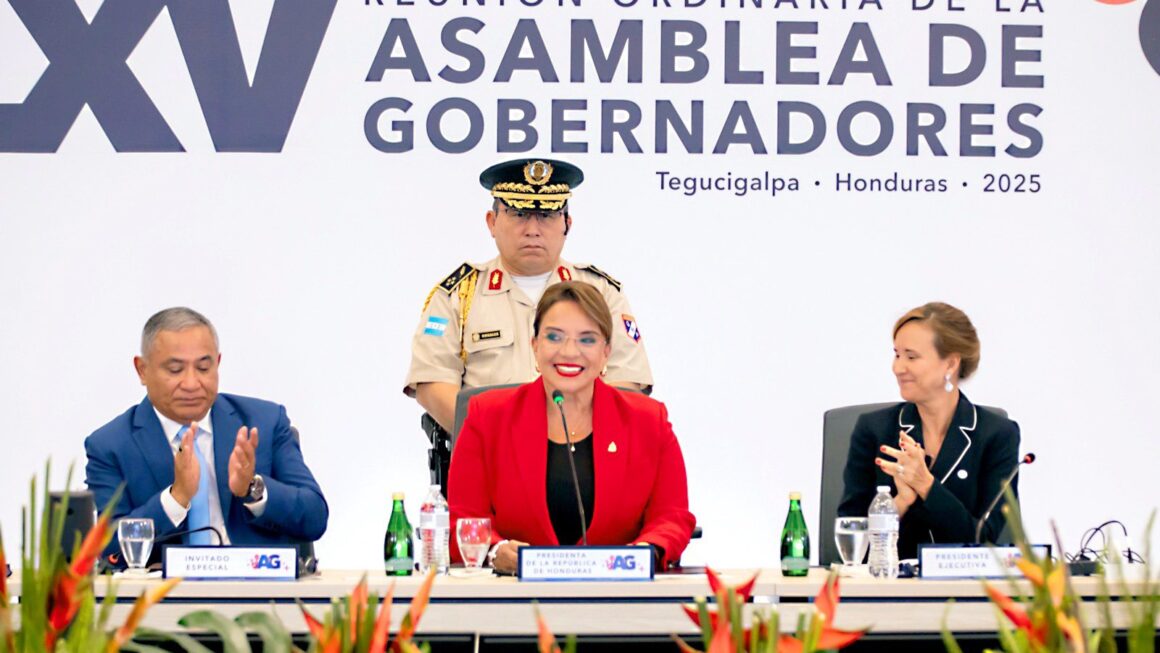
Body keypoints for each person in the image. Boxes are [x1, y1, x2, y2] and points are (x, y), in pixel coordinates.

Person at [447, 281, 694, 573]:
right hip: (514, 601)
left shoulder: (649, 421)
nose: (569, 351)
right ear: (535, 346)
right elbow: (463, 520)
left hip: (619, 599)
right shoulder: (486, 417)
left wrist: (646, 552)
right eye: (554, 337)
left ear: (606, 353)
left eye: (587, 340)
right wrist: (495, 551)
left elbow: (672, 517)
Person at [405, 158, 653, 437]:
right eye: (518, 214)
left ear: (567, 224)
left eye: (546, 215)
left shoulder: (603, 294)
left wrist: (569, 441)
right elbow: (432, 383)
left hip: (583, 463)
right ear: (492, 222)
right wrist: (496, 442)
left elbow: (628, 383)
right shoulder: (458, 296)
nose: (533, 229)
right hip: (488, 462)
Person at [84, 307, 328, 559]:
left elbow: (315, 517)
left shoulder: (264, 422)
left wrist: (252, 488)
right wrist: (175, 498)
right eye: (175, 370)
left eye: (203, 368)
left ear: (218, 364)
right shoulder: (110, 445)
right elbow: (108, 548)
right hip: (165, 596)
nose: (191, 384)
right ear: (142, 370)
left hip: (259, 591)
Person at [837, 302, 1021, 559]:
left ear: (950, 364)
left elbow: (984, 543)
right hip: (887, 592)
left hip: (967, 594)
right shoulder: (874, 430)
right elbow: (850, 545)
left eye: (911, 357)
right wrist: (899, 503)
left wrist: (926, 485)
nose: (898, 367)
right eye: (897, 354)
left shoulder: (997, 434)